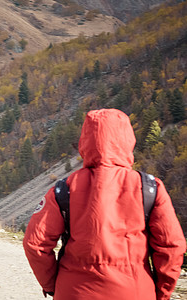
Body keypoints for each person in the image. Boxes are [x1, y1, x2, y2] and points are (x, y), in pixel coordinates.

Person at [23, 108, 186, 299]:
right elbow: (171, 246)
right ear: (127, 139)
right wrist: (161, 292)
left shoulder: (63, 189)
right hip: (134, 291)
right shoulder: (151, 188)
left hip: (74, 292)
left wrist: (53, 284)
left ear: (85, 140)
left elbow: (35, 244)